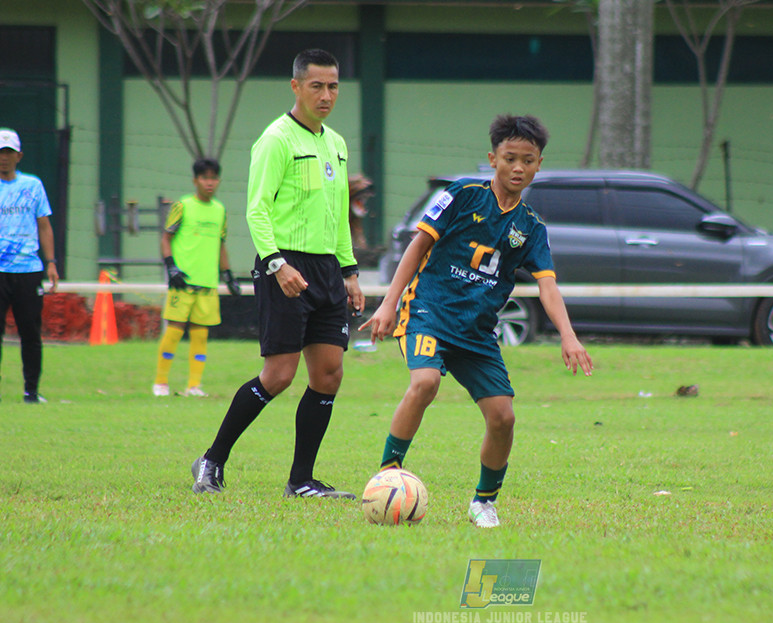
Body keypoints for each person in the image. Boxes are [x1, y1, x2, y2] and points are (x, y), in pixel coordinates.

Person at [361, 114, 593, 528]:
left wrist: (569, 336)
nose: (518, 168)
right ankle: (387, 477)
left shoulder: (532, 228)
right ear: (492, 159)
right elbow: (417, 248)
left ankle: (483, 502)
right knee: (425, 382)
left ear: (539, 164)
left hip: (476, 332)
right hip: (428, 311)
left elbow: (548, 287)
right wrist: (388, 303)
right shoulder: (461, 194)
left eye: (527, 160)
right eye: (509, 158)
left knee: (503, 417)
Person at [190, 48, 365, 498]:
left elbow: (338, 214)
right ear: (296, 86)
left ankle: (301, 481)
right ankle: (211, 460)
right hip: (284, 265)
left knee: (328, 375)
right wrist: (277, 263)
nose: (326, 95)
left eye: (333, 86)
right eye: (316, 86)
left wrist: (349, 271)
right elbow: (256, 210)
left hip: (327, 270)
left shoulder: (337, 144)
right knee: (279, 376)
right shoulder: (276, 139)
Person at [153, 157, 240, 398]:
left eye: (214, 178)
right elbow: (166, 238)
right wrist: (171, 267)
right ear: (195, 180)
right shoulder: (183, 205)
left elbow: (221, 245)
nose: (209, 183)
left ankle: (194, 386)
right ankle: (160, 383)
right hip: (183, 282)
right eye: (205, 178)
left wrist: (228, 275)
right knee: (174, 331)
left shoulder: (220, 209)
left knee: (201, 335)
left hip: (208, 282)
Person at [0, 128, 59, 404]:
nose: (4, 158)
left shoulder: (33, 186)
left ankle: (31, 391)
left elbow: (44, 225)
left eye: (8, 153)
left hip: (27, 269)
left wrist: (51, 263)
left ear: (19, 155)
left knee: (30, 333)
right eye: (0, 153)